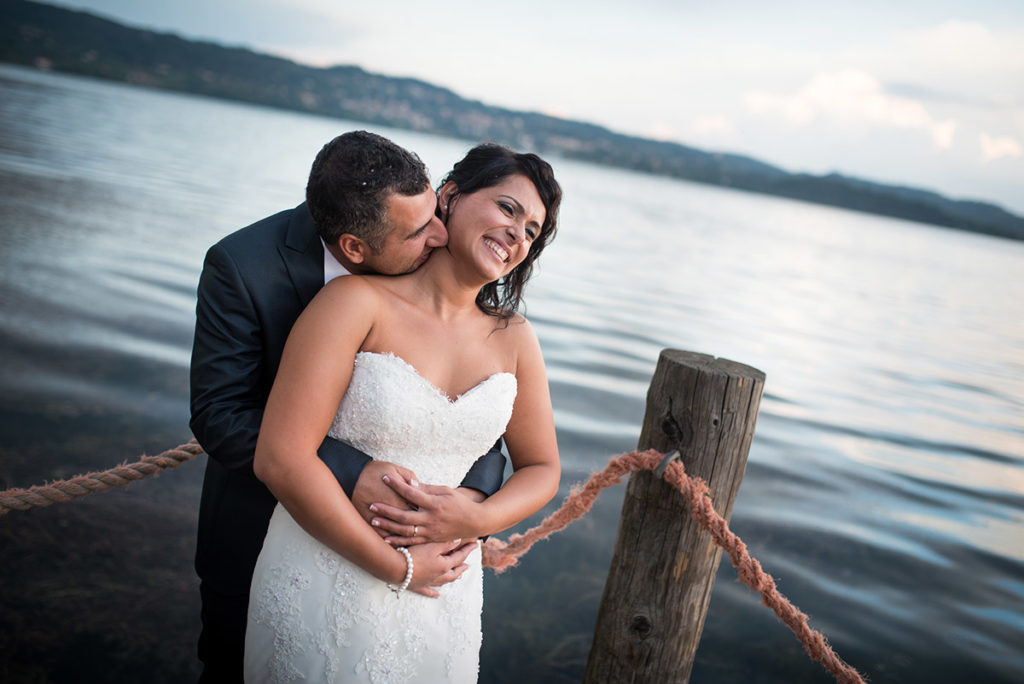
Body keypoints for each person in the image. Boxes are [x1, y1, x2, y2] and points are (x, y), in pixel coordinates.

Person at [189, 131, 508, 682]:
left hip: (416, 551)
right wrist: (353, 473)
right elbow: (220, 414)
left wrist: (466, 501)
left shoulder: (432, 259)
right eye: (417, 230)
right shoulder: (242, 267)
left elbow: (465, 403)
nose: (439, 235)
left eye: (436, 212)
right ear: (355, 248)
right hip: (263, 533)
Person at [244, 143, 563, 682]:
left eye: (532, 230)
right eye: (508, 209)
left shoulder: (516, 339)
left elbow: (543, 469)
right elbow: (280, 459)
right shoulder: (354, 303)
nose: (517, 233)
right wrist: (397, 566)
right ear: (451, 196)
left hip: (445, 595)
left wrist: (478, 519)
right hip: (326, 573)